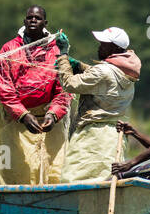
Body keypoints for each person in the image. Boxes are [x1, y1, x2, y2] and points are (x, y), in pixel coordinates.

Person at [0, 6, 72, 184]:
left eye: (37, 18)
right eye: (29, 18)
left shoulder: (56, 51)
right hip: (15, 121)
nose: (33, 20)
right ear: (24, 22)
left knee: (54, 171)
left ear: (45, 23)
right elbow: (6, 89)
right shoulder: (9, 49)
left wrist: (54, 114)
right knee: (14, 170)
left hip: (48, 122)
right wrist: (24, 116)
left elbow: (64, 89)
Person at [53, 26, 141, 183]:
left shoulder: (103, 71)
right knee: (104, 180)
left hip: (93, 135)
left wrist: (63, 55)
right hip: (113, 136)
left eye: (104, 44)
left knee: (72, 178)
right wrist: (79, 66)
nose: (100, 46)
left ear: (115, 48)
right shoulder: (128, 71)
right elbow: (105, 77)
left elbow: (70, 84)